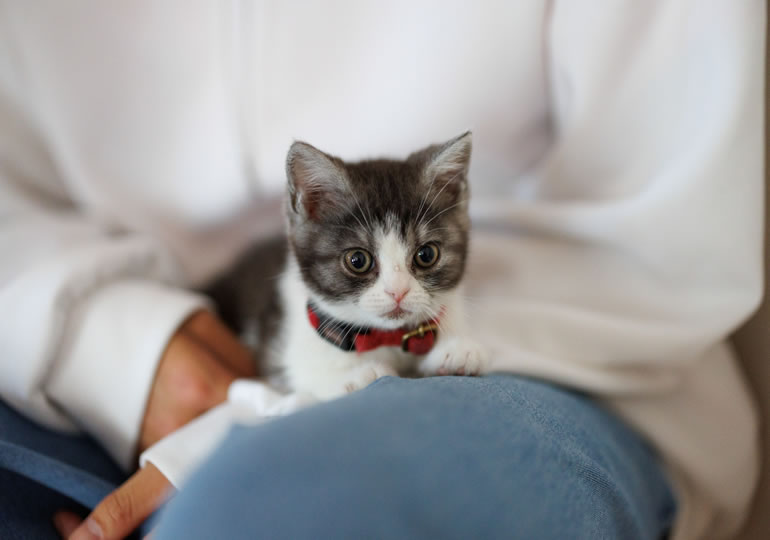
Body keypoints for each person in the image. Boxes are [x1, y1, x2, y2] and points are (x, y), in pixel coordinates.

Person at [0, 2, 764, 539]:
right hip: (77, 323)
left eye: (419, 260)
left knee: (267, 514)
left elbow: (668, 246)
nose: (397, 287)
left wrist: (257, 422)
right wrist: (112, 344)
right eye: (370, 264)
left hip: (551, 348)